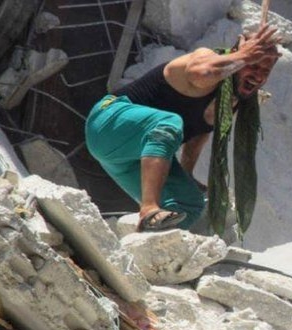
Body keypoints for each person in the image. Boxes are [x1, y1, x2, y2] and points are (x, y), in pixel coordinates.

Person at [85, 24, 280, 234]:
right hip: (107, 122)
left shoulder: (228, 101)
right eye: (253, 66)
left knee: (189, 203)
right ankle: (149, 209)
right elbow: (201, 73)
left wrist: (187, 173)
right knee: (169, 122)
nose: (258, 75)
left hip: (126, 157)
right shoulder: (206, 58)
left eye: (264, 71)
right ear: (236, 54)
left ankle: (151, 247)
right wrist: (244, 56)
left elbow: (200, 134)